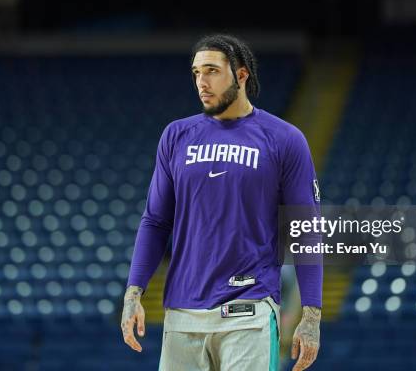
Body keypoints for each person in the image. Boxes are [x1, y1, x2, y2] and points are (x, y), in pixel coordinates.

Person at [121, 34, 322, 370]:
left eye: (212, 71)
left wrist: (311, 316)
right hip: (182, 314)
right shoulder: (176, 136)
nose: (202, 82)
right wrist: (132, 294)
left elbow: (306, 230)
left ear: (241, 75)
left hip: (249, 311)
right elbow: (155, 221)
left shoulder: (285, 139)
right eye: (197, 73)